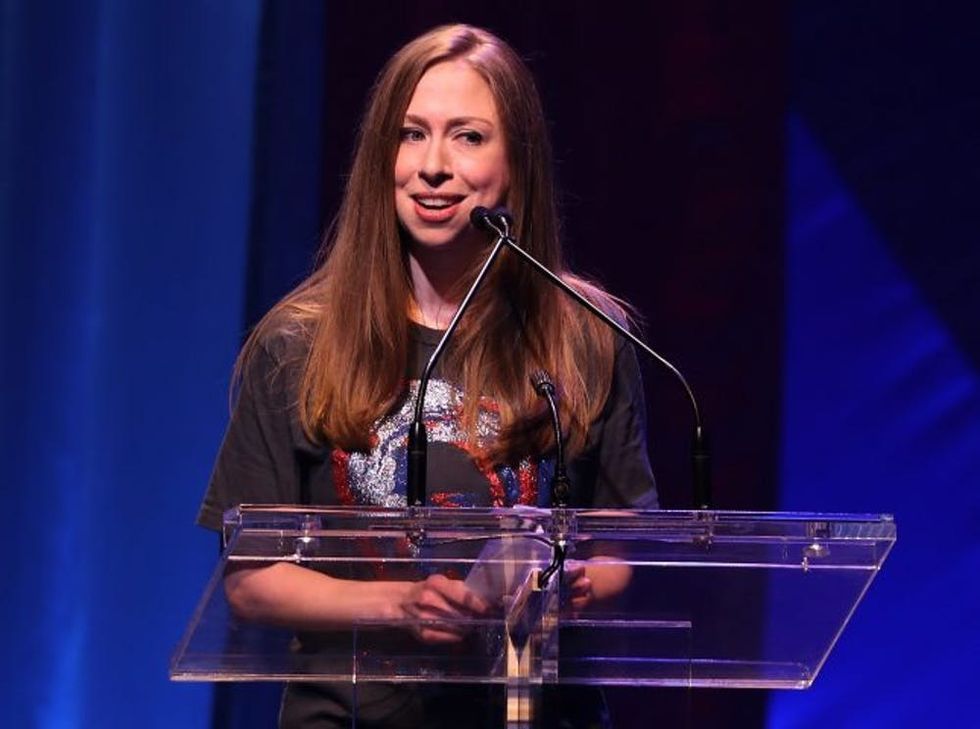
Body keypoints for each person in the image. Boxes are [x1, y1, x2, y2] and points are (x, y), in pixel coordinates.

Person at [197, 23, 657, 728]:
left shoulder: (587, 335)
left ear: (517, 161)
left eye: (468, 137)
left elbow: (620, 548)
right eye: (411, 135)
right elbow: (251, 580)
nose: (433, 165)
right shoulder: (298, 343)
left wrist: (576, 585)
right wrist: (398, 605)